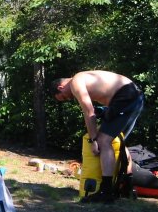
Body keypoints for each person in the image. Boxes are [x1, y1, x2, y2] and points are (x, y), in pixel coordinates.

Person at [50, 70, 144, 203]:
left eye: (64, 97)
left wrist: (93, 139)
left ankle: (106, 192)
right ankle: (127, 188)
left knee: (103, 141)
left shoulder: (76, 82)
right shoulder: (84, 78)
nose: (68, 99)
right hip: (133, 95)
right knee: (118, 141)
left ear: (61, 87)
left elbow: (89, 113)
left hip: (126, 96)